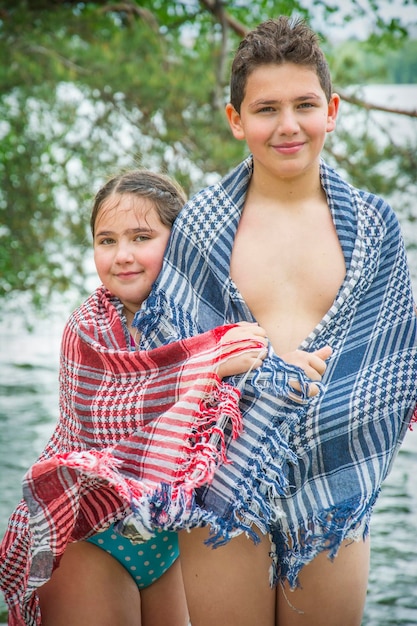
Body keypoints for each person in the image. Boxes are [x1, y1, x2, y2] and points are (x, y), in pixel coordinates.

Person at [134, 16, 417, 626]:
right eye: (266, 109)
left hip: (334, 477)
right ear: (236, 119)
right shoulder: (202, 227)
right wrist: (252, 371)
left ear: (332, 110)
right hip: (223, 478)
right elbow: (170, 360)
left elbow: (392, 360)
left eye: (304, 105)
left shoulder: (373, 228)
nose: (288, 126)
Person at [0, 168, 330, 626]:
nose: (122, 256)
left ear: (178, 242)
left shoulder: (213, 321)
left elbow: (246, 404)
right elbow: (122, 411)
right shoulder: (88, 331)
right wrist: (212, 361)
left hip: (170, 545)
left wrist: (283, 368)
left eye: (141, 237)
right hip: (92, 537)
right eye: (106, 240)